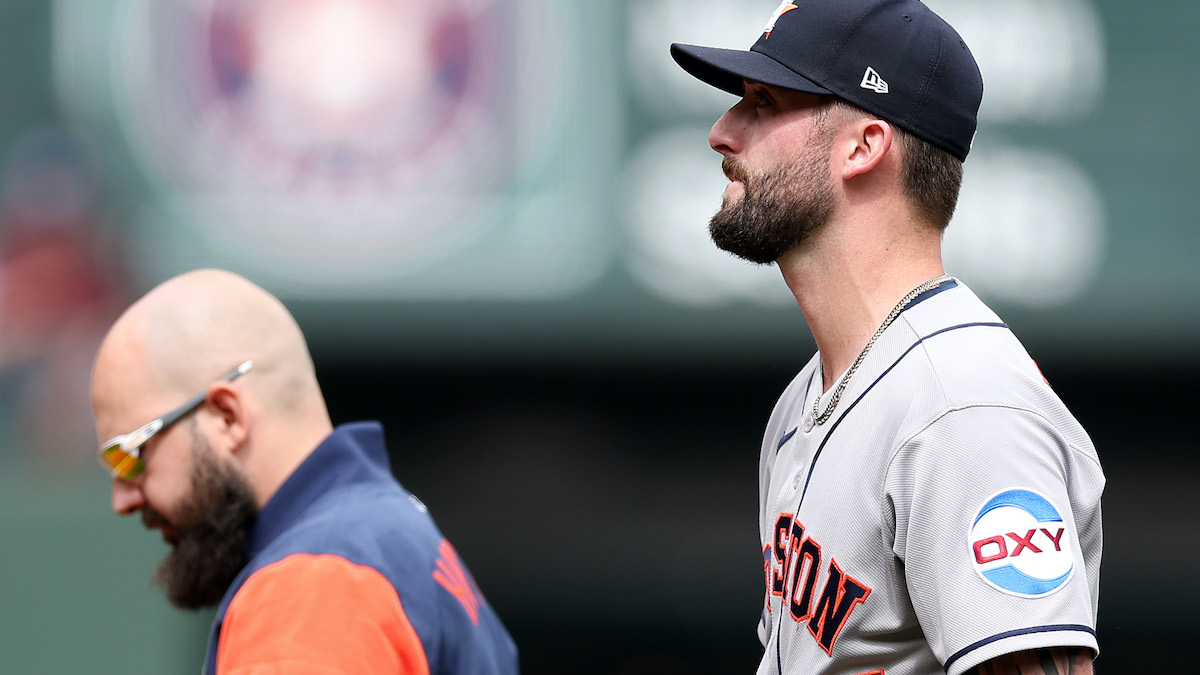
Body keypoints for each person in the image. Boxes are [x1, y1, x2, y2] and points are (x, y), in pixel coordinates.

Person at [669, 1, 1103, 674]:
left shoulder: (963, 408)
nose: (722, 132)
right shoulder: (807, 397)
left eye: (763, 102)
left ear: (864, 146)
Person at [89, 269, 518, 674]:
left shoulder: (311, 585)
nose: (122, 499)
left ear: (227, 416)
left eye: (130, 454)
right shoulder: (388, 542)